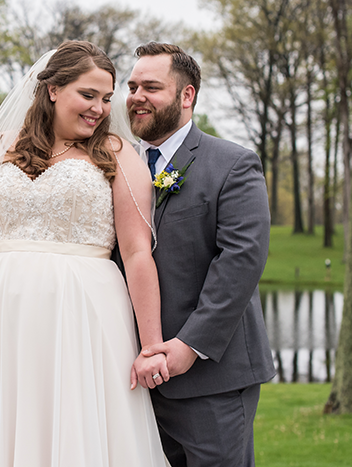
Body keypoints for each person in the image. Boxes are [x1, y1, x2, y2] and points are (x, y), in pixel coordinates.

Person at [0, 41, 170, 466]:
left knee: (81, 421)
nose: (100, 109)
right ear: (52, 89)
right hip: (6, 309)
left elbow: (139, 251)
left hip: (85, 309)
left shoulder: (118, 154)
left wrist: (152, 344)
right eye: (88, 95)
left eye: (106, 98)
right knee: (11, 422)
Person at [126, 42, 275, 466]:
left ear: (186, 95)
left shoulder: (232, 164)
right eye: (132, 86)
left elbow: (241, 261)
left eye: (151, 87)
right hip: (135, 376)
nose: (136, 96)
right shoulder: (118, 168)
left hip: (212, 379)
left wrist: (189, 345)